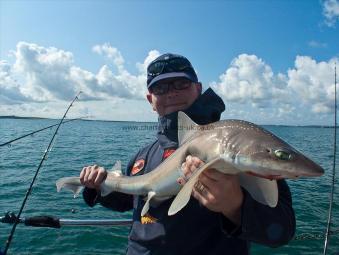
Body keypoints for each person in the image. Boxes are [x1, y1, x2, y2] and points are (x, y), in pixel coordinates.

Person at [80, 53, 296, 255]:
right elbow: (128, 202)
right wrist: (98, 187)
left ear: (198, 88)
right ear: (150, 100)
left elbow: (281, 231)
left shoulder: (234, 144)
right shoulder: (142, 156)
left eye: (181, 83)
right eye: (160, 88)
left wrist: (235, 207)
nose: (171, 92)